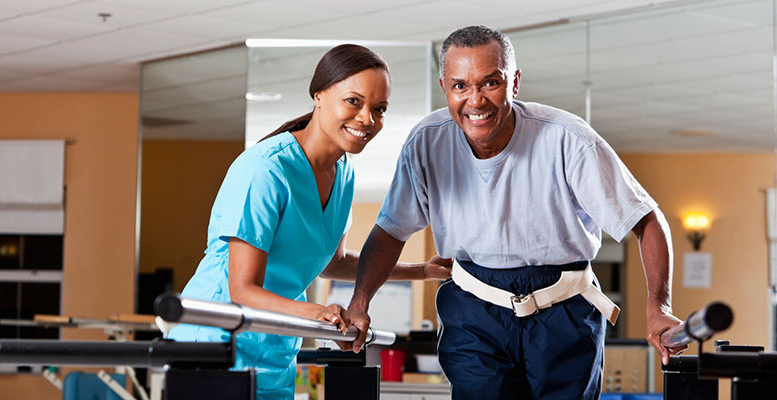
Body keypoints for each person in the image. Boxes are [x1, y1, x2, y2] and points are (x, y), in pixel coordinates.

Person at [346, 26, 686, 399]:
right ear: (445, 86)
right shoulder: (427, 141)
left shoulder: (567, 138)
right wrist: (359, 303)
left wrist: (658, 305)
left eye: (490, 83)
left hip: (565, 309)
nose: (475, 100)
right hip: (475, 309)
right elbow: (390, 231)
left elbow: (646, 220)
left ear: (515, 82)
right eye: (460, 86)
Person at [167, 44, 451, 400]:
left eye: (379, 109)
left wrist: (422, 271)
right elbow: (243, 288)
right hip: (216, 342)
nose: (368, 119)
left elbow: (332, 262)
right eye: (354, 101)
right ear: (319, 95)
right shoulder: (265, 169)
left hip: (273, 348)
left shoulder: (343, 174)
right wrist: (321, 312)